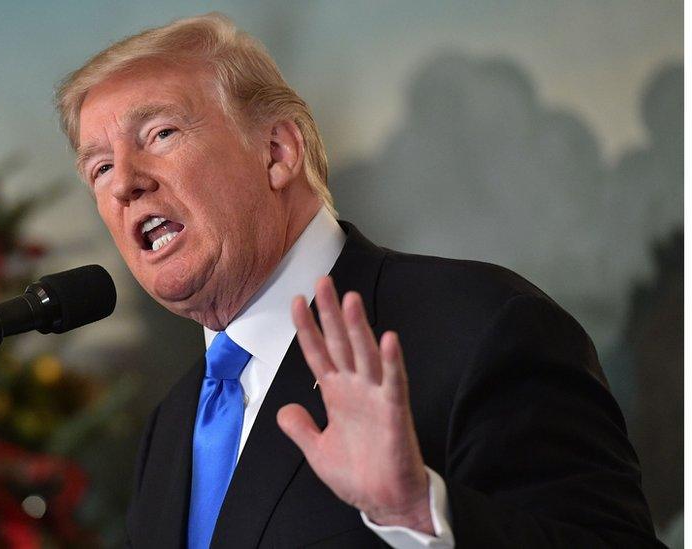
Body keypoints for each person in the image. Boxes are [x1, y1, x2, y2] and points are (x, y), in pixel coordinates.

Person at [56, 13, 662, 548]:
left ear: (277, 150)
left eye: (160, 134)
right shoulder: (172, 425)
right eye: (100, 167)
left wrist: (417, 514)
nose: (124, 183)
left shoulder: (480, 326)